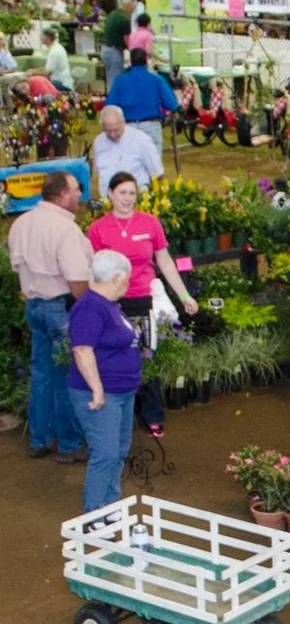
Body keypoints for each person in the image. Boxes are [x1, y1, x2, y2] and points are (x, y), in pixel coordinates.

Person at [88, 172, 197, 438]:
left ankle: (152, 416)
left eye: (132, 193)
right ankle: (115, 414)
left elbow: (166, 262)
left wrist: (184, 296)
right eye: (122, 192)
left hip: (145, 300)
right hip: (113, 303)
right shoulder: (98, 229)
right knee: (112, 356)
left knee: (147, 355)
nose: (127, 198)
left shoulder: (150, 223)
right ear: (110, 194)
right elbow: (92, 269)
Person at [8, 170, 92, 463]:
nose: (79, 194)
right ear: (62, 194)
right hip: (61, 308)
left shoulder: (21, 223)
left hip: (34, 307)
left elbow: (17, 267)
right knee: (68, 376)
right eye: (76, 190)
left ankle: (40, 439)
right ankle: (69, 445)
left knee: (42, 374)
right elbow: (78, 281)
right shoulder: (65, 230)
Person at [65, 250, 142, 513]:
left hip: (121, 392)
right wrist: (97, 390)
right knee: (106, 453)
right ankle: (95, 512)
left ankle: (110, 505)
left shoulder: (107, 304)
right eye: (128, 277)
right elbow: (82, 350)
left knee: (119, 450)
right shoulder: (90, 307)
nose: (129, 282)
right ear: (117, 277)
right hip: (103, 394)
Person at [106, 49, 178, 153]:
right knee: (153, 165)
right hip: (151, 125)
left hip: (128, 127)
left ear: (131, 61)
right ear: (146, 61)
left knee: (130, 164)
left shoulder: (120, 80)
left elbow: (109, 106)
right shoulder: (157, 79)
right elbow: (171, 104)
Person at [91, 105, 164, 198]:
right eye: (108, 131)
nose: (113, 135)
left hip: (136, 200)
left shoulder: (141, 140)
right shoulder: (99, 141)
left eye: (116, 130)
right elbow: (98, 171)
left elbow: (157, 173)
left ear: (123, 123)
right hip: (108, 201)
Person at [99, 0, 134, 88]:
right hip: (115, 52)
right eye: (133, 8)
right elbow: (127, 40)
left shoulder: (112, 14)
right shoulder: (124, 19)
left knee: (111, 79)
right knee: (117, 81)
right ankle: (115, 102)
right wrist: (133, 52)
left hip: (105, 50)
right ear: (128, 6)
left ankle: (111, 100)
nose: (133, 11)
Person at [40, 27, 74, 93]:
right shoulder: (57, 47)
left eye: (41, 36)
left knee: (39, 84)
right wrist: (33, 71)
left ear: (47, 37)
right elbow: (47, 69)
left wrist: (32, 73)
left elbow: (47, 73)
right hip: (63, 81)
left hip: (61, 84)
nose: (40, 38)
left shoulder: (54, 51)